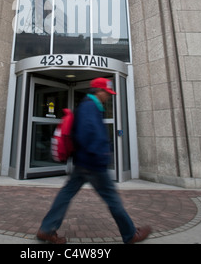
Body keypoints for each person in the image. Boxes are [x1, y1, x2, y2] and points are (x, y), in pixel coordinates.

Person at [37, 78, 152, 245]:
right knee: (112, 199)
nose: (108, 96)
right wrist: (102, 155)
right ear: (99, 91)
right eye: (107, 93)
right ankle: (130, 234)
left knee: (66, 194)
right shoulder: (90, 107)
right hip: (93, 163)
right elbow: (87, 135)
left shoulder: (88, 106)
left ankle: (47, 229)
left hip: (84, 162)